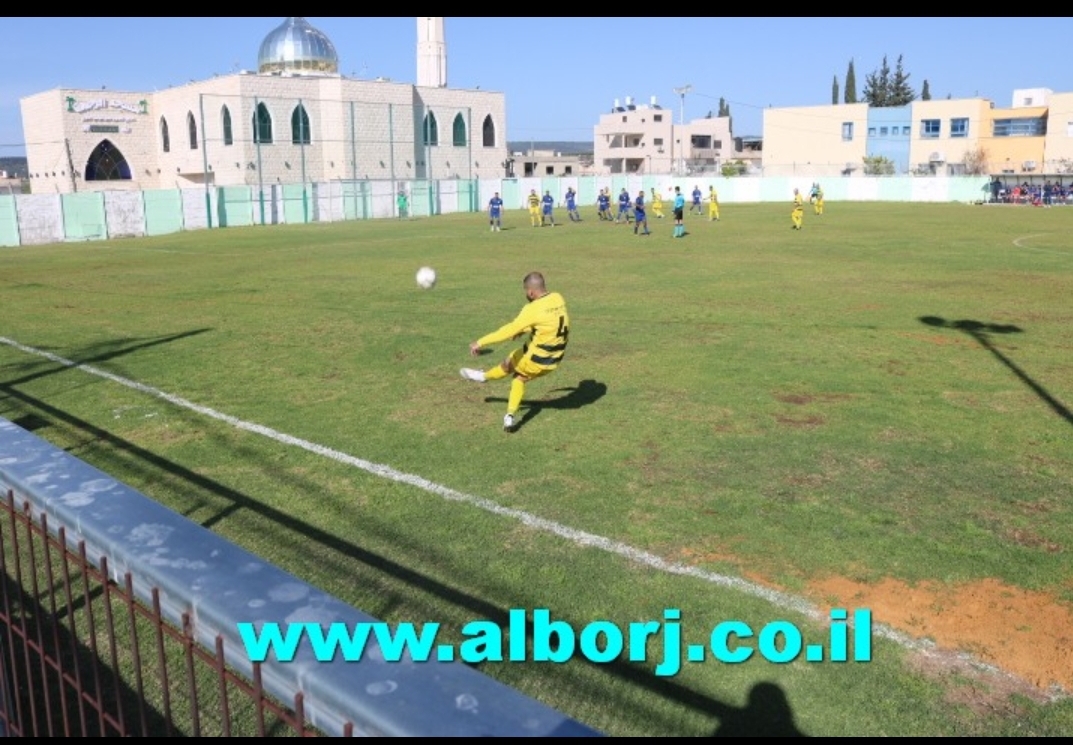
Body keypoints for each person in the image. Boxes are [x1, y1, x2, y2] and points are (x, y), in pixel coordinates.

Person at [460, 271, 570, 433]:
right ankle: (508, 414)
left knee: (512, 370)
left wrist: (480, 342)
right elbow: (548, 321)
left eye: (526, 291)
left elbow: (508, 330)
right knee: (518, 374)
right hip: (555, 359)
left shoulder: (532, 308)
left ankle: (483, 378)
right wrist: (525, 329)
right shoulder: (558, 297)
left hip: (536, 358)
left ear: (531, 292)